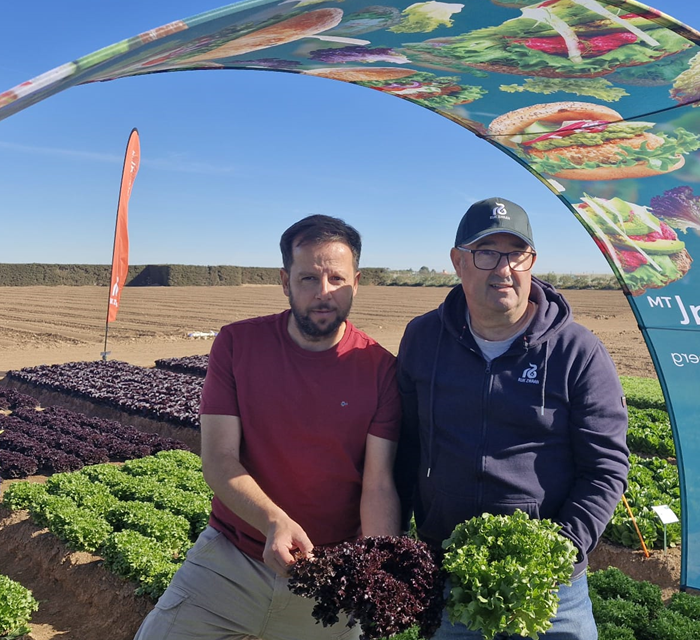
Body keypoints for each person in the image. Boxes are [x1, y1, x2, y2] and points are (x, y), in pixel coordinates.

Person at [134, 215, 401, 640]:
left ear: (356, 282)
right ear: (284, 280)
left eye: (337, 278)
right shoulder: (238, 344)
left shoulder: (380, 369)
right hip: (231, 559)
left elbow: (379, 483)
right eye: (308, 277)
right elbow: (219, 458)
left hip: (327, 574)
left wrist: (376, 566)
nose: (323, 291)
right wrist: (273, 520)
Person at [395, 197, 630, 639]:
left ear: (532, 261)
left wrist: (557, 552)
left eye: (517, 254)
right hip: (448, 574)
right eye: (486, 253)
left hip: (552, 591)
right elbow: (405, 447)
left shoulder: (577, 351)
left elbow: (606, 467)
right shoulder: (423, 339)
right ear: (458, 262)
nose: (504, 269)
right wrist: (396, 546)